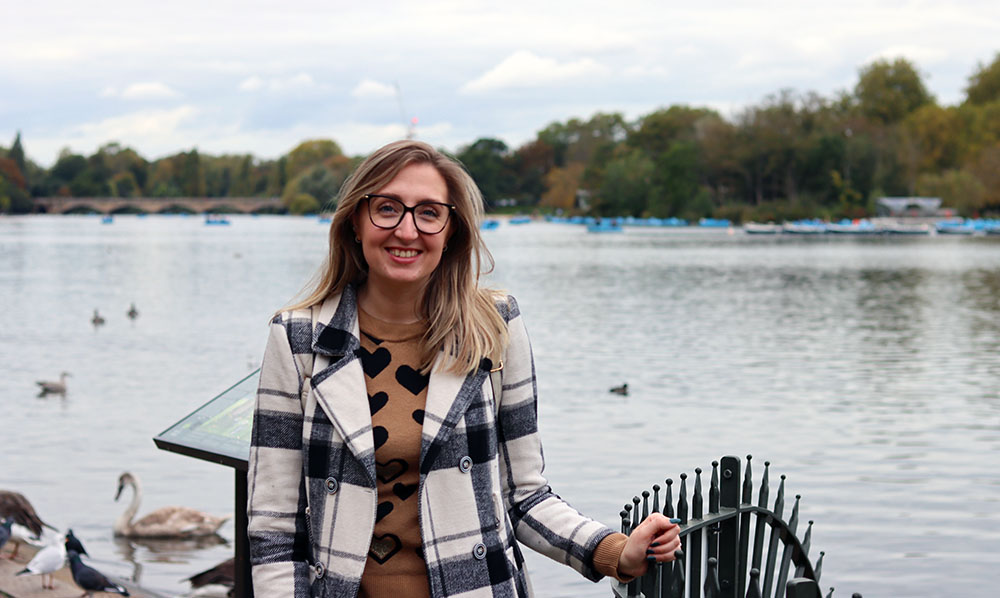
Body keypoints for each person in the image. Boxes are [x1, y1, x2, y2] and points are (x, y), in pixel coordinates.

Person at [247, 140, 680, 598]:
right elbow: (274, 525)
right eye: (388, 208)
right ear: (356, 219)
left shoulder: (495, 326)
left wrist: (615, 552)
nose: (407, 230)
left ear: (452, 229)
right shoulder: (297, 338)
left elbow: (524, 495)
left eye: (429, 212)